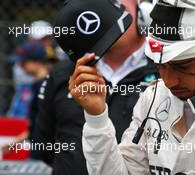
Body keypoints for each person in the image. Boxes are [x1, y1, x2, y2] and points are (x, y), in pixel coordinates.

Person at [69, 0, 195, 174]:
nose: (169, 81)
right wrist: (97, 118)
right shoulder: (153, 96)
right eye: (160, 65)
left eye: (183, 66)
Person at [33, 0, 157, 174]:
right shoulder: (62, 73)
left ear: (144, 13)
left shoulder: (167, 70)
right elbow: (44, 145)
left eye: (117, 5)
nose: (106, 11)